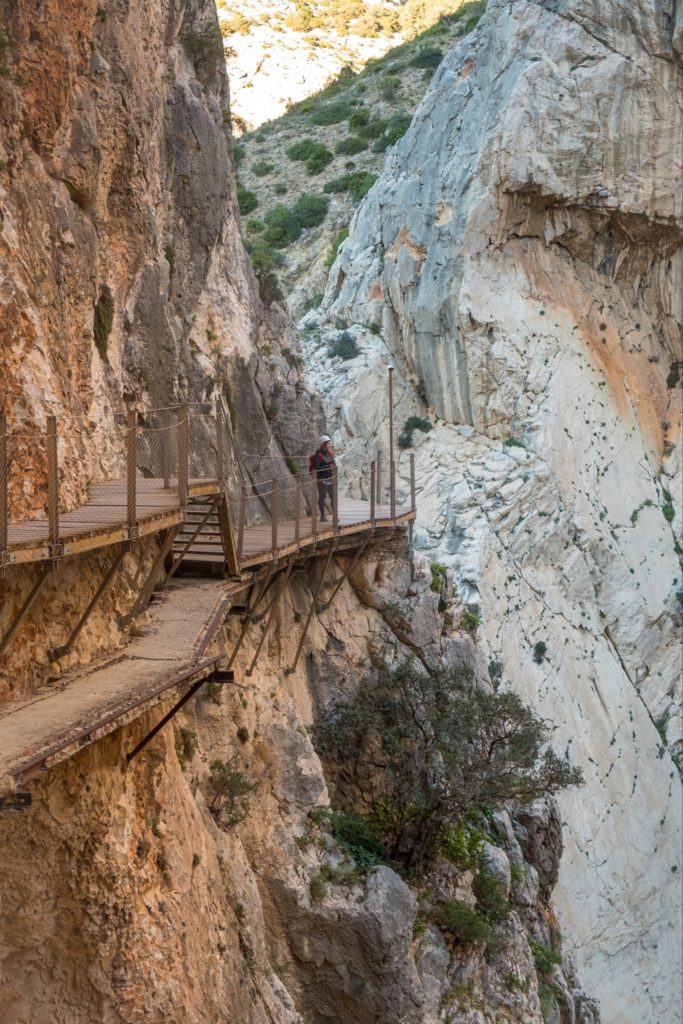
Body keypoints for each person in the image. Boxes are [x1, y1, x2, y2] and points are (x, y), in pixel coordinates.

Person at [310, 434, 336, 521]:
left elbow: (333, 464)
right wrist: (329, 466)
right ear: (323, 445)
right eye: (328, 444)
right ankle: (322, 515)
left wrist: (332, 465)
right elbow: (317, 468)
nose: (330, 445)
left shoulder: (330, 454)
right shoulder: (319, 455)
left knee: (333, 497)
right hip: (322, 479)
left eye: (330, 443)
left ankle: (335, 515)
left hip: (330, 478)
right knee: (322, 497)